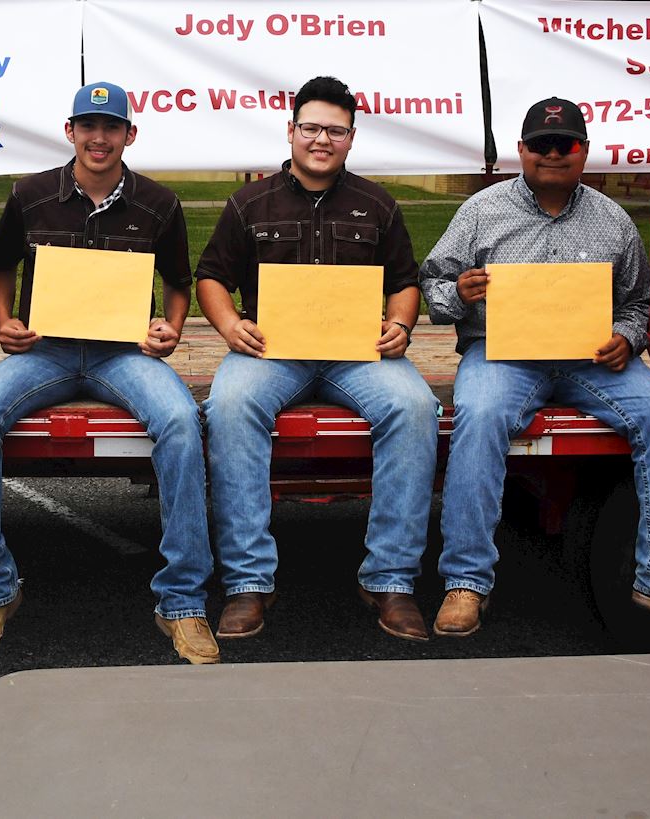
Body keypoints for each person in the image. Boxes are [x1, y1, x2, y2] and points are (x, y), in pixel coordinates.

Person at [422, 97, 650, 638]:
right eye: (540, 145)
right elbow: (432, 285)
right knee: (478, 416)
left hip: (590, 360)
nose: (552, 154)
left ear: (584, 152)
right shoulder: (480, 210)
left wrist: (628, 336)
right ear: (520, 151)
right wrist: (460, 291)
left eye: (564, 144)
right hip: (502, 355)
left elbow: (640, 301)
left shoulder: (611, 217)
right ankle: (466, 582)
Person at [0, 81, 217, 664]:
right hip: (46, 352)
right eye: (88, 126)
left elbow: (178, 281)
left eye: (112, 127)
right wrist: (4, 319)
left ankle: (183, 600)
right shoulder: (31, 195)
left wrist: (170, 329)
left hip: (123, 354)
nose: (100, 138)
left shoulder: (159, 202)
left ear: (130, 134)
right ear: (69, 131)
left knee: (179, 419)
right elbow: (0, 266)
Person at [196, 76, 439, 641]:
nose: (321, 139)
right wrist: (231, 325)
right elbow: (211, 276)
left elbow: (406, 281)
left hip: (356, 355)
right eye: (311, 127)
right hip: (272, 354)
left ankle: (391, 580)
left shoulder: (377, 203)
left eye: (335, 130)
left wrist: (401, 324)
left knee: (415, 407)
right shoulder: (249, 202)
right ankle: (247, 583)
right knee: (229, 406)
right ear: (291, 131)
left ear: (351, 138)